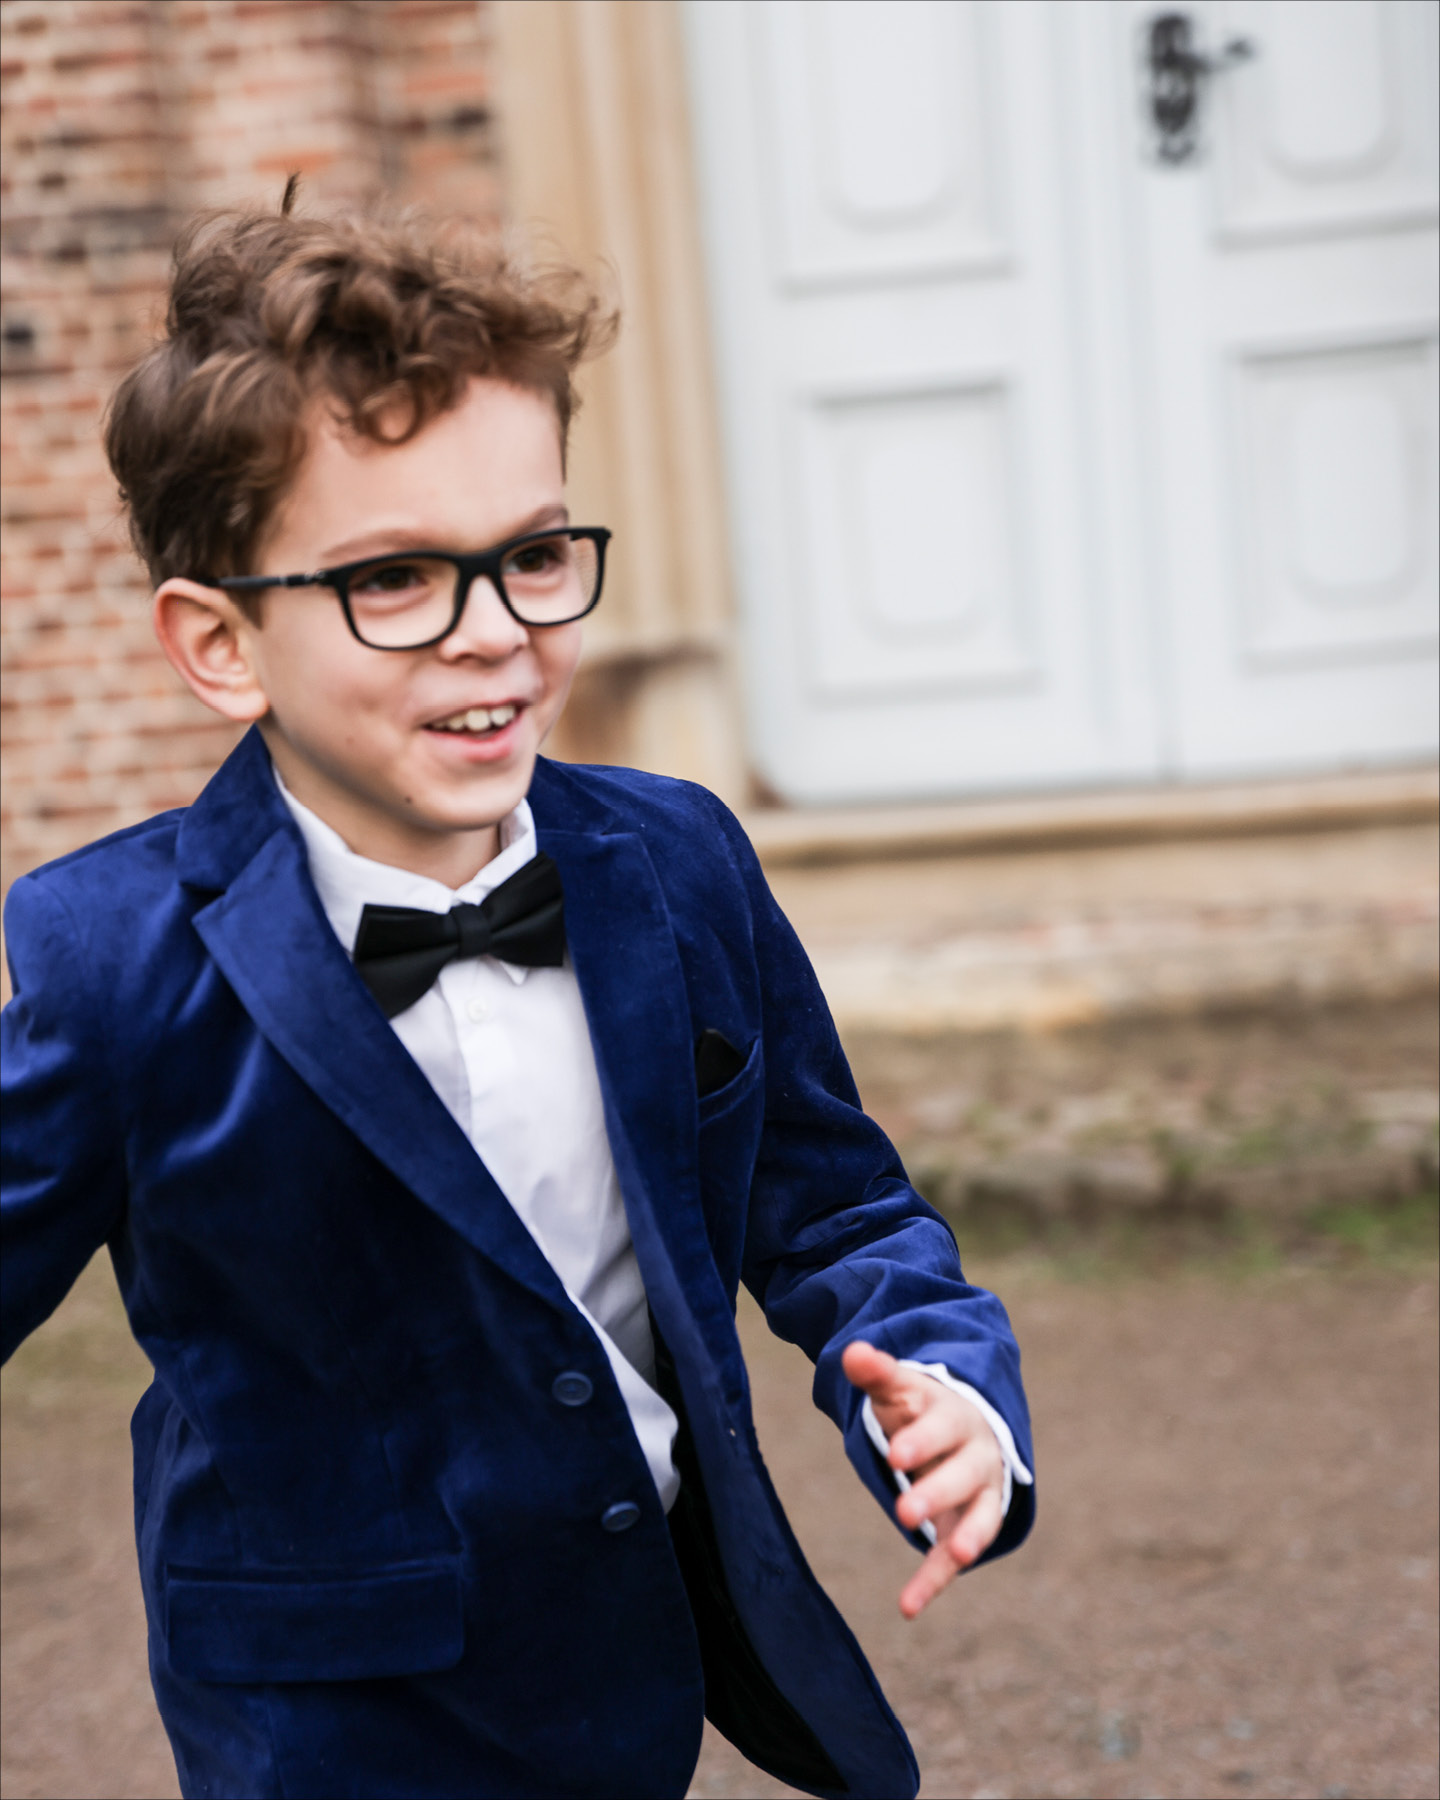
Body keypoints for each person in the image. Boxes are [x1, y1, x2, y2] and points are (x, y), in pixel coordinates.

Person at [0, 194, 1033, 1800]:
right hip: (328, 1720)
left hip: (646, 1664)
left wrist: (948, 1385)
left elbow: (834, 1213)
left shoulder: (677, 863)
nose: (496, 638)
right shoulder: (112, 960)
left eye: (536, 558)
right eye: (396, 580)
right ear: (220, 644)